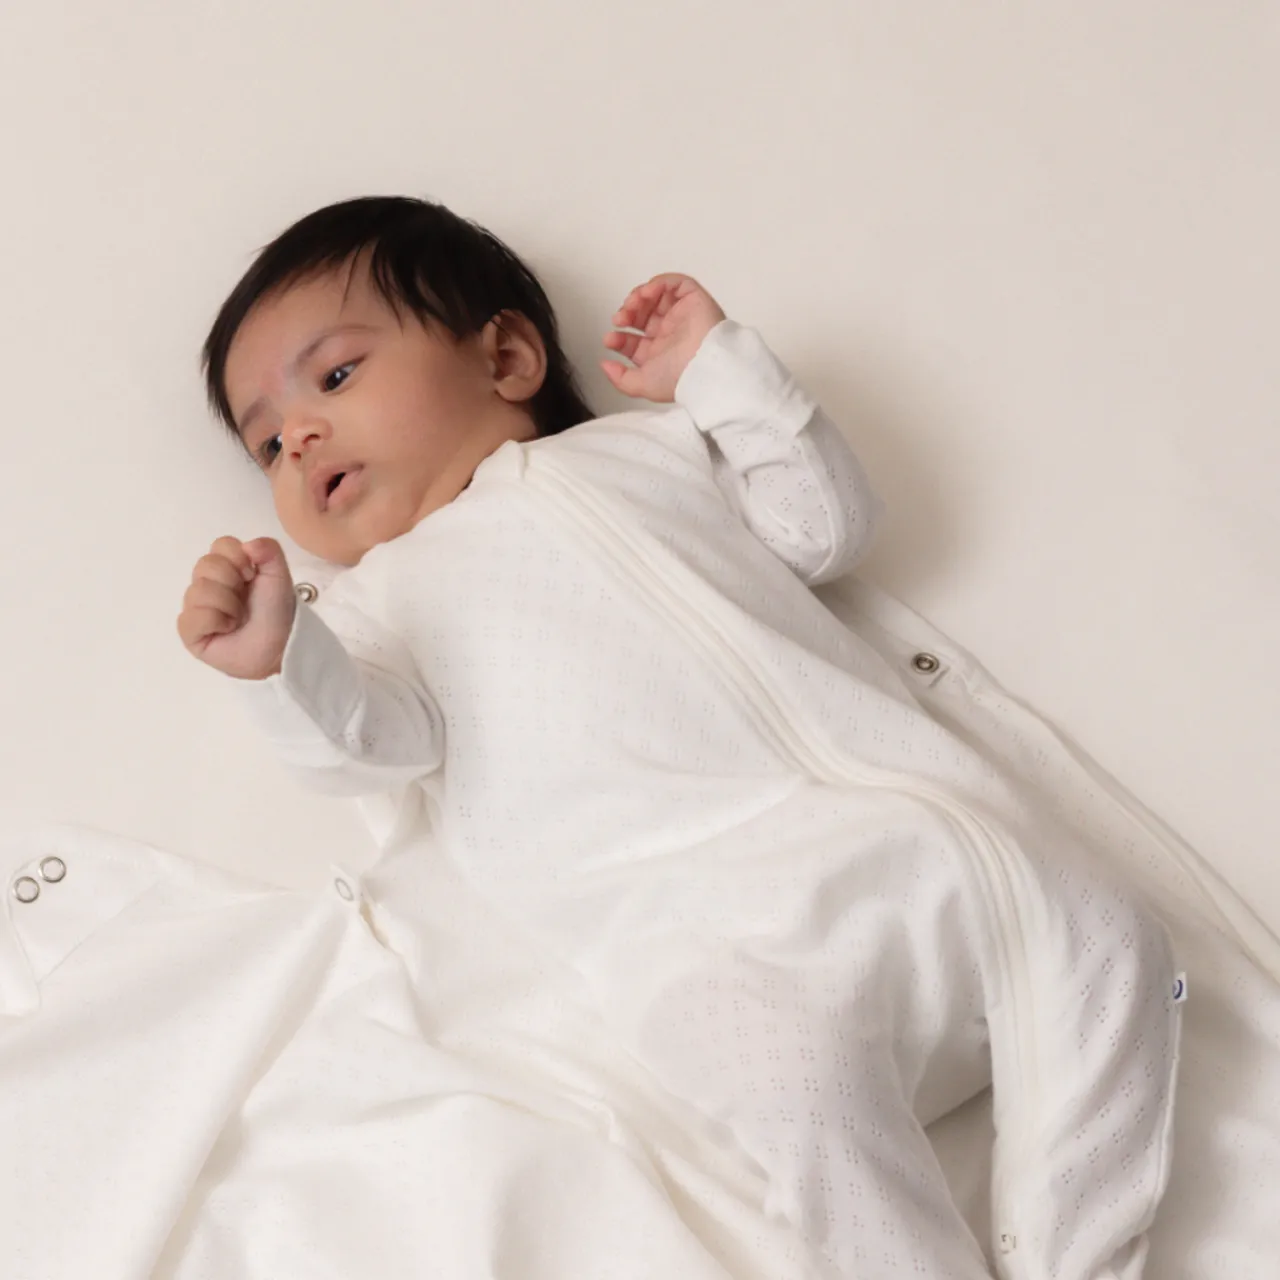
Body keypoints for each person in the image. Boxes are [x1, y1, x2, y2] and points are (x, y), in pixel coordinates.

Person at [178, 195, 1181, 1278]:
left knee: (1111, 932)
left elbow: (823, 529)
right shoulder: (376, 604)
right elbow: (368, 745)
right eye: (267, 442)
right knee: (793, 1091)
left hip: (898, 838)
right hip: (697, 937)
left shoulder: (653, 450)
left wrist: (721, 375)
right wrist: (279, 659)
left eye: (334, 376)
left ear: (505, 357)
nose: (300, 438)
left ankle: (1076, 1246)